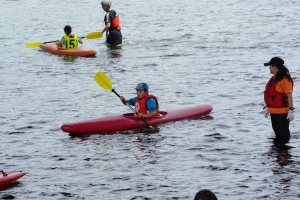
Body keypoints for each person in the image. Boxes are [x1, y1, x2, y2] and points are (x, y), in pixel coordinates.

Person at [263, 57, 294, 144]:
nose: (269, 68)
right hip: (273, 112)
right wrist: (268, 108)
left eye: (270, 66)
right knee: (278, 137)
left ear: (275, 67)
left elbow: (289, 95)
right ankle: (279, 155)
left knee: (284, 137)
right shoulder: (274, 79)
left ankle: (285, 155)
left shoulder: (285, 80)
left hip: (282, 113)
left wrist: (291, 110)